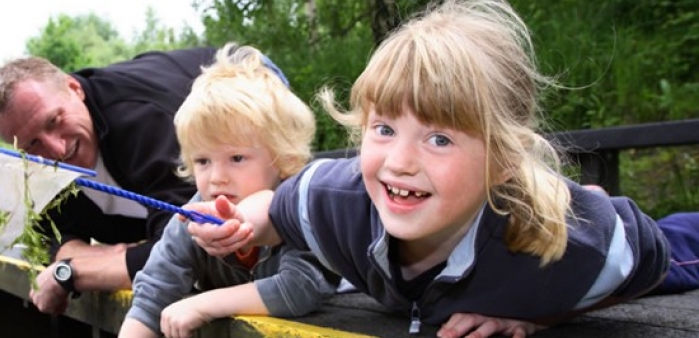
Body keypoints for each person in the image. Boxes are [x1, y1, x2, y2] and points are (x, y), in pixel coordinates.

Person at [184, 1, 677, 337]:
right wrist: (242, 223)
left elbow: (652, 258)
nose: (399, 162)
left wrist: (542, 314)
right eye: (384, 129)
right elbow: (277, 209)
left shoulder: (576, 246)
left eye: (439, 138)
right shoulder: (335, 198)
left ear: (504, 160)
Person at [118, 44, 337, 338]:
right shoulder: (193, 218)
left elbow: (303, 287)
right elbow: (153, 293)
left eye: (236, 158)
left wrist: (205, 305)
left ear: (283, 157)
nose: (217, 178)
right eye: (203, 161)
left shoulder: (300, 208)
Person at [0, 47, 218, 314]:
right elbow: (51, 236)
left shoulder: (144, 121)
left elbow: (191, 245)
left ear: (75, 89)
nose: (57, 150)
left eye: (54, 121)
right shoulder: (39, 166)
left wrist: (74, 272)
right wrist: (93, 258)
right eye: (32, 144)